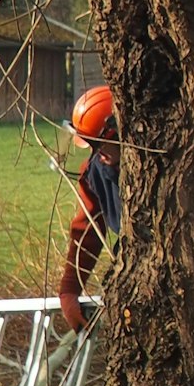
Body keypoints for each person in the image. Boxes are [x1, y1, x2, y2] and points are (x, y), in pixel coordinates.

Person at [58, 85, 123, 334]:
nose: (98, 154)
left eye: (100, 145)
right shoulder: (94, 173)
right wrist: (70, 290)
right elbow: (87, 231)